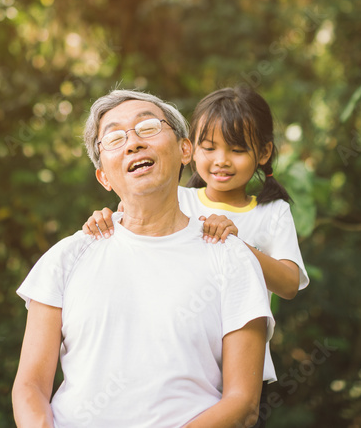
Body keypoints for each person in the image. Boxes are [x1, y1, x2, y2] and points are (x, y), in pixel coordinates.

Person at [12, 89, 274, 428]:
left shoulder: (231, 257)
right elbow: (30, 386)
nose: (133, 142)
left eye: (148, 127)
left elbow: (243, 403)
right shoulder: (66, 258)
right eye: (115, 138)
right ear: (103, 176)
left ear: (184, 150)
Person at [83, 86, 309, 428]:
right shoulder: (180, 199)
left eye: (237, 150)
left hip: (239, 365)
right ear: (188, 149)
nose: (221, 161)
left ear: (263, 152)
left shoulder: (272, 212)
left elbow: (290, 283)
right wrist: (102, 219)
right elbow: (130, 222)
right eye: (209, 147)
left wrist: (238, 245)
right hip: (179, 356)